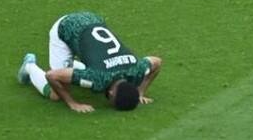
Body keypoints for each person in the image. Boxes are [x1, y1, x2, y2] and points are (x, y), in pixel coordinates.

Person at [15, 11, 162, 112]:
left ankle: (72, 66)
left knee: (85, 69)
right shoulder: (97, 78)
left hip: (92, 18)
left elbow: (156, 62)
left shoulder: (136, 71)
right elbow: (52, 75)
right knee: (56, 94)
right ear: (111, 93)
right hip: (66, 28)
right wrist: (73, 103)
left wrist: (140, 92)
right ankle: (29, 66)